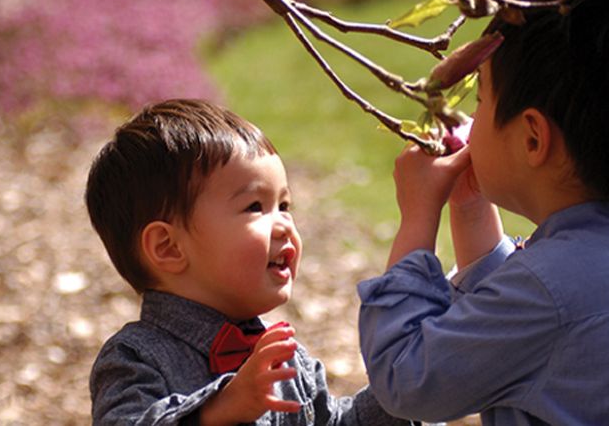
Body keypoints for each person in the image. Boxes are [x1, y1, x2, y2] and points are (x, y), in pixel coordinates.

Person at [358, 0, 609, 425]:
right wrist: (470, 206)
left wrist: (418, 215)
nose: (474, 114)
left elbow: (407, 380)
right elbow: (511, 322)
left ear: (532, 137)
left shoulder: (552, 290)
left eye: (483, 98)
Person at [85, 99, 412, 425]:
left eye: (284, 205)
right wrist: (217, 410)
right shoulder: (137, 358)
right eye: (255, 206)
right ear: (169, 247)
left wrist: (404, 391)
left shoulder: (286, 356)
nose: (285, 224)